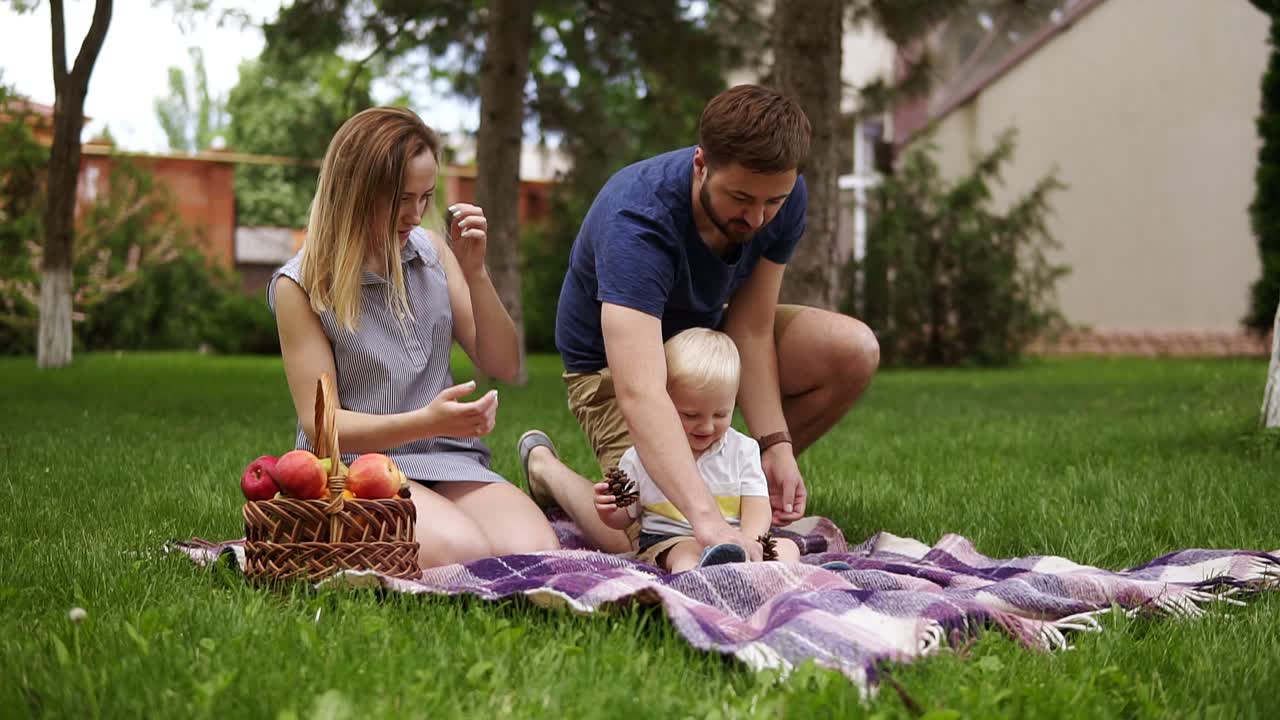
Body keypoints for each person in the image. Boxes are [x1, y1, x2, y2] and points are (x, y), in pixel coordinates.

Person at [519, 84, 880, 557]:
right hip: (613, 366)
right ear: (700, 164)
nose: (757, 218)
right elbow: (641, 389)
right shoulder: (638, 222)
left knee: (853, 349)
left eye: (774, 202)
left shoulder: (781, 197)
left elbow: (750, 328)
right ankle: (548, 470)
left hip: (707, 345)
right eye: (741, 198)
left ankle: (727, 484)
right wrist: (707, 522)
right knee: (639, 531)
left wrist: (775, 445)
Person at [269, 106, 559, 568]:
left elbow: (504, 363)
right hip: (355, 469)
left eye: (426, 197)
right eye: (401, 199)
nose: (415, 214)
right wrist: (430, 421)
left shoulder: (432, 252)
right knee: (460, 554)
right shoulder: (301, 285)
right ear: (354, 192)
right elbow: (321, 426)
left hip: (444, 457)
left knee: (536, 552)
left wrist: (475, 272)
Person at [592, 329, 801, 572]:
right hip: (670, 541)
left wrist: (751, 542)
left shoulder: (743, 449)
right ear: (666, 404)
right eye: (691, 415)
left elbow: (757, 505)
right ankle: (701, 586)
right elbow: (624, 518)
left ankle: (774, 581)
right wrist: (609, 511)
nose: (707, 426)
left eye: (721, 414)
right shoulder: (641, 456)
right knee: (687, 553)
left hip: (736, 538)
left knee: (787, 547)